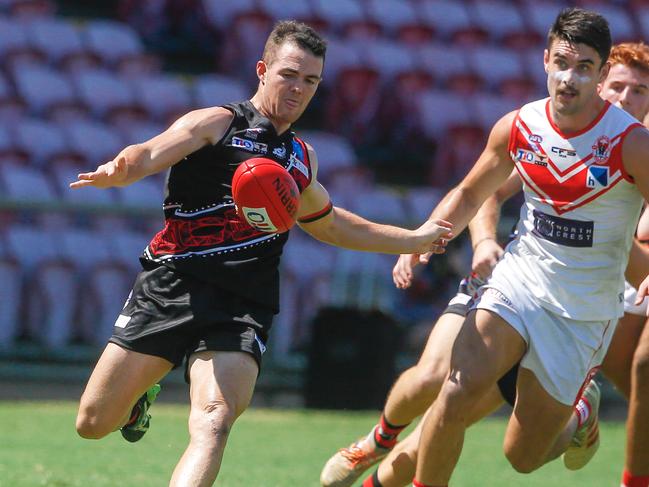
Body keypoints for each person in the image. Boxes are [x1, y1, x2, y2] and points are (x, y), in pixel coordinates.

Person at [69, 20, 452, 487]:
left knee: (214, 420)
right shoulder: (217, 122)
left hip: (242, 303)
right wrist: (119, 169)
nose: (299, 88)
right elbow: (150, 153)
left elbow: (330, 224)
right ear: (262, 69)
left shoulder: (300, 158)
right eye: (289, 74)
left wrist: (412, 238)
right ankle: (141, 395)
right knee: (92, 422)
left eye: (311, 80)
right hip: (172, 284)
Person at [398, 8, 649, 486]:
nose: (568, 77)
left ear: (599, 74)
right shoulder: (518, 125)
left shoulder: (631, 143)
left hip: (583, 313)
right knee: (455, 392)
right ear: (544, 61)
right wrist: (424, 235)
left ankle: (578, 420)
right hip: (519, 281)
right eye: (561, 62)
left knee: (523, 455)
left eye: (584, 67)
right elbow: (473, 192)